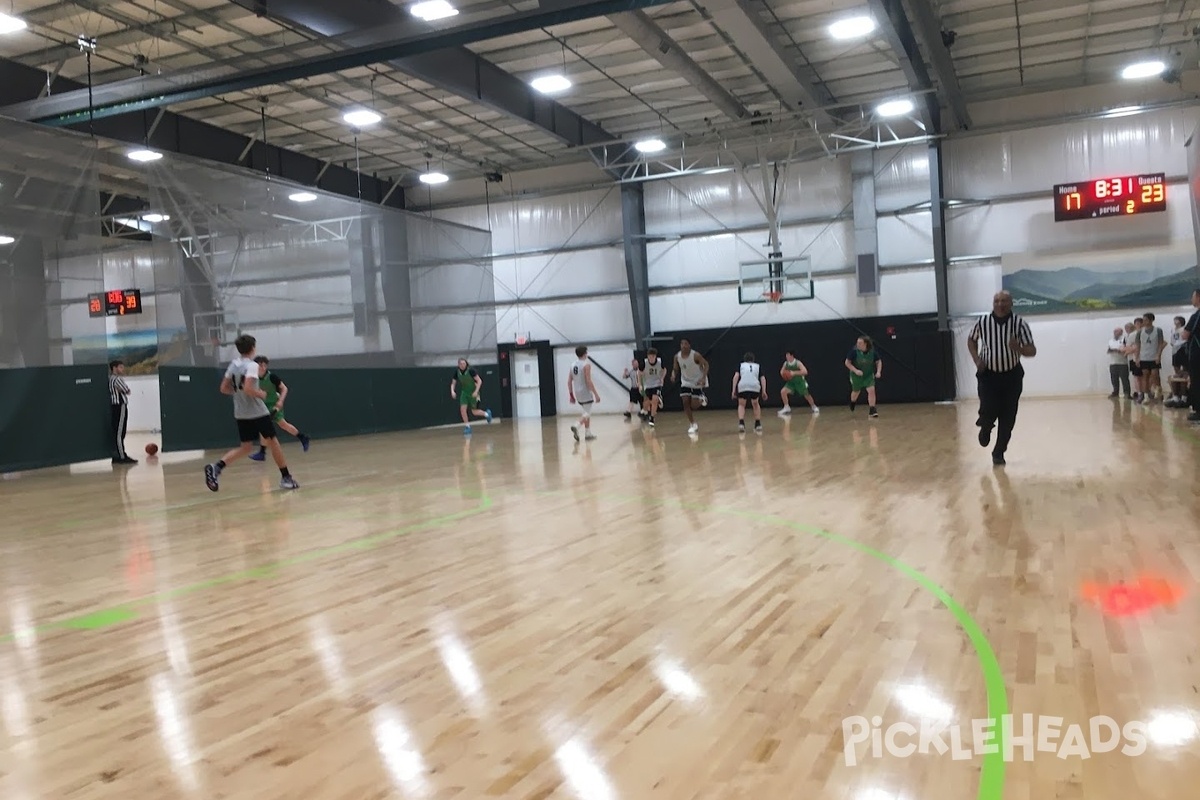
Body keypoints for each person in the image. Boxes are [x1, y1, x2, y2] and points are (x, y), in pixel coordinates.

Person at [204, 334, 299, 492]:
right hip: (257, 411)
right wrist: (260, 394)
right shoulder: (253, 365)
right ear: (253, 348)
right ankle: (286, 478)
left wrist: (238, 391)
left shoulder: (233, 364)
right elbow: (249, 387)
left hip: (241, 411)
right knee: (273, 441)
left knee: (246, 447)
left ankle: (216, 467)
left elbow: (224, 388)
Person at [967, 290, 1036, 466]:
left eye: (1004, 301)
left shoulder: (1019, 323)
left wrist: (1018, 348)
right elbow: (971, 340)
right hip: (988, 375)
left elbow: (1032, 350)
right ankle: (986, 426)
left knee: (1008, 418)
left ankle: (998, 452)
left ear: (1011, 303)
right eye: (996, 301)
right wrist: (976, 359)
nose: (1000, 304)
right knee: (989, 408)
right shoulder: (983, 322)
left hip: (1012, 376)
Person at [248, 356, 312, 461]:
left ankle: (302, 437)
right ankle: (262, 452)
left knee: (282, 424)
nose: (263, 367)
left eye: (264, 365)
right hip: (263, 405)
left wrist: (280, 402)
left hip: (274, 404)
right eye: (260, 365)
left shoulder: (272, 377)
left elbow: (284, 388)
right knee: (263, 427)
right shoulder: (253, 378)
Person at [670, 338, 710, 435]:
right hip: (685, 381)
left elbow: (706, 364)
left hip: (697, 381)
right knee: (685, 402)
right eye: (681, 343)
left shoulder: (695, 355)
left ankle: (701, 398)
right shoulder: (677, 356)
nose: (683, 345)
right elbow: (675, 368)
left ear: (689, 345)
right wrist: (673, 375)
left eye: (685, 343)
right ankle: (693, 424)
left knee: (694, 405)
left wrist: (704, 378)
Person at [450, 358, 493, 435]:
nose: (462, 365)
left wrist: (476, 391)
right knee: (462, 410)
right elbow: (453, 383)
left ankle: (487, 414)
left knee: (474, 412)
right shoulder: (457, 372)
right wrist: (452, 391)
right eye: (461, 364)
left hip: (473, 392)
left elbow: (479, 381)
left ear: (466, 364)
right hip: (464, 393)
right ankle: (467, 427)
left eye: (464, 363)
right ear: (458, 365)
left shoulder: (471, 371)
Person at [567, 345, 599, 442]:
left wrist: (571, 395)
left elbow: (569, 381)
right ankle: (576, 425)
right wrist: (596, 394)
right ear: (585, 353)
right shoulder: (586, 364)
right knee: (587, 413)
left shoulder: (573, 365)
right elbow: (588, 381)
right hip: (585, 391)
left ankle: (588, 433)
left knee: (586, 411)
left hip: (577, 392)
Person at [844, 336, 882, 417]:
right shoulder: (854, 352)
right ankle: (852, 402)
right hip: (856, 376)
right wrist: (856, 370)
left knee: (871, 390)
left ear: (866, 344)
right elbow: (847, 363)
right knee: (856, 392)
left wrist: (878, 372)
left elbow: (878, 361)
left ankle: (872, 409)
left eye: (860, 343)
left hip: (868, 375)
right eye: (857, 342)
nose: (858, 344)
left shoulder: (872, 352)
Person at [1133, 312, 1166, 403]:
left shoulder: (1158, 330)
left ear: (1151, 320)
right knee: (1145, 376)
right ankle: (1146, 395)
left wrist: (1158, 355)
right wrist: (1137, 357)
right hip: (1144, 357)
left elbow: (1160, 343)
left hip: (1154, 356)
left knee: (1155, 375)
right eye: (1143, 319)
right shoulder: (1140, 332)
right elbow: (1137, 345)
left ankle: (1158, 391)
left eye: (1146, 319)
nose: (1144, 321)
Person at [108, 359, 136, 464]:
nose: (122, 369)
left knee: (117, 432)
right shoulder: (117, 379)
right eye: (120, 367)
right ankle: (122, 456)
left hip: (115, 407)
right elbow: (127, 390)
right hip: (120, 406)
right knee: (120, 432)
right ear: (114, 368)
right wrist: (125, 390)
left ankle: (117, 454)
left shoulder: (110, 379)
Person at [731, 351, 766, 434]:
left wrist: (733, 390)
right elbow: (763, 378)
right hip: (755, 385)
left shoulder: (741, 365)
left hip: (743, 385)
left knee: (741, 404)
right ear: (753, 360)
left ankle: (741, 423)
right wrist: (764, 391)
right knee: (755, 404)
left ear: (744, 360)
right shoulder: (757, 366)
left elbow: (736, 377)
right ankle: (758, 424)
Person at [777, 350, 819, 416]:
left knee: (806, 395)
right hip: (791, 382)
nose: (786, 357)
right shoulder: (786, 363)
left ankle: (813, 406)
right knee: (783, 392)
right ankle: (786, 407)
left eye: (788, 355)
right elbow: (781, 372)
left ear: (792, 356)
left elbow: (805, 372)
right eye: (786, 355)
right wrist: (784, 374)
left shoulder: (798, 363)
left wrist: (794, 373)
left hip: (799, 382)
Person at [1182, 288, 1200, 422]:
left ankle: (1198, 412)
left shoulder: (1196, 315)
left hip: (1197, 355)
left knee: (1196, 382)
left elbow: (1185, 334)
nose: (1191, 299)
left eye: (1193, 296)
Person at [639, 348, 666, 428]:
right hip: (648, 384)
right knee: (647, 401)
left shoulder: (660, 362)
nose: (651, 358)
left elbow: (664, 370)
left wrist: (662, 378)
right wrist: (640, 384)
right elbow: (639, 373)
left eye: (653, 356)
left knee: (654, 400)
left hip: (657, 383)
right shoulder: (644, 363)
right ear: (647, 356)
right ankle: (645, 410)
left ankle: (652, 418)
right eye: (650, 357)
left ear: (655, 356)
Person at [1166, 316, 1189, 407]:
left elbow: (1185, 339)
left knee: (1184, 373)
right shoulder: (1173, 330)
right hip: (1175, 350)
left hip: (1183, 349)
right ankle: (1176, 396)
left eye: (1177, 320)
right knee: (1176, 373)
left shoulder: (1184, 329)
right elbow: (1172, 341)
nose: (1175, 321)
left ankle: (1184, 397)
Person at [1106, 327, 1131, 398]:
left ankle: (1127, 393)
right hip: (1113, 363)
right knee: (1114, 379)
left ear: (1121, 332)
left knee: (1124, 379)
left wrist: (1119, 351)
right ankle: (1115, 392)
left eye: (1117, 331)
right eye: (1114, 331)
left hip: (1122, 363)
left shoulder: (1125, 339)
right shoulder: (1111, 341)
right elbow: (1108, 350)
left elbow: (1127, 348)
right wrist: (1113, 350)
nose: (1115, 333)